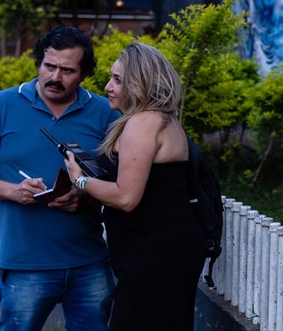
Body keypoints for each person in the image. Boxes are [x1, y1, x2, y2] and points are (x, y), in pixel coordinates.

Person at [0, 26, 117, 330]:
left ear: (84, 74)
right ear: (38, 63)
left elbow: (123, 181)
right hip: (24, 263)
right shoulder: (2, 105)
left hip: (89, 259)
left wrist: (85, 195)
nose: (55, 77)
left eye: (67, 70)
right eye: (49, 66)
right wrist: (13, 191)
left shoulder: (105, 112)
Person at [64, 42, 205, 331]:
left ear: (139, 82)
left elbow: (127, 197)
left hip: (155, 253)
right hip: (161, 248)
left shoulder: (143, 122)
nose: (108, 86)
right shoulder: (162, 119)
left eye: (118, 80)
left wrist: (80, 179)